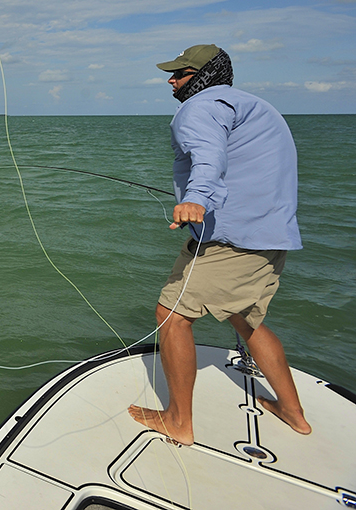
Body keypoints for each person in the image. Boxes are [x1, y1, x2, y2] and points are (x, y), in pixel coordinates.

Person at [127, 44, 312, 445]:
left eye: (180, 74)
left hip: (234, 239)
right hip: (271, 236)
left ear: (205, 74)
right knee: (245, 317)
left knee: (171, 313)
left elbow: (209, 159)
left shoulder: (198, 108)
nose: (171, 81)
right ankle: (294, 414)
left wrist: (195, 199)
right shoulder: (254, 106)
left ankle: (179, 421)